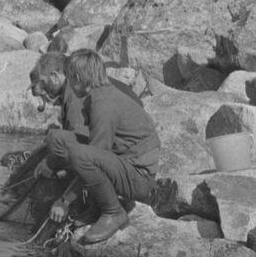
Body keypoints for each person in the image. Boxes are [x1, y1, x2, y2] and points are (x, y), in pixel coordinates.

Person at [33, 49, 160, 244]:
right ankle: (98, 204)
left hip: (139, 176)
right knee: (56, 139)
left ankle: (113, 212)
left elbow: (92, 155)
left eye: (69, 77)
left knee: (79, 155)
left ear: (76, 77)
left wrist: (64, 201)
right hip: (122, 161)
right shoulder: (96, 95)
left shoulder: (103, 104)